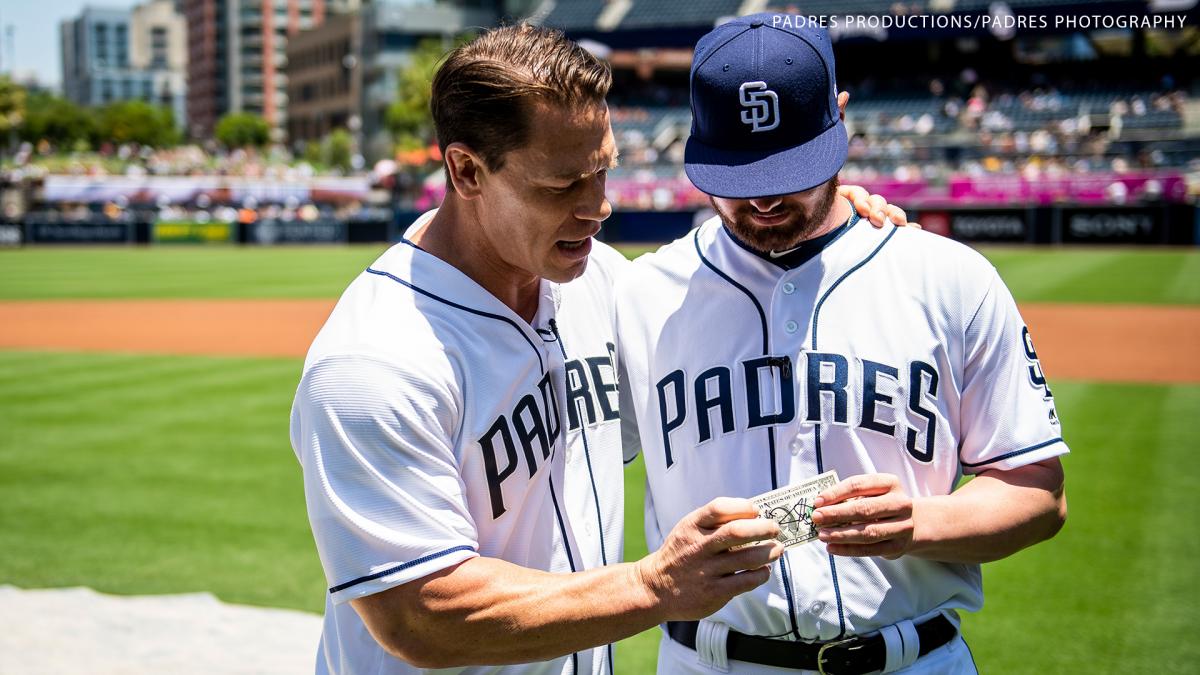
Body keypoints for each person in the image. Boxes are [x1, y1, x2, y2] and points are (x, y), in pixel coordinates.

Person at [291, 23, 914, 675]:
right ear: (466, 171)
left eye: (603, 170)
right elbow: (422, 615)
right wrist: (656, 586)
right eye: (563, 185)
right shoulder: (372, 362)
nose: (598, 206)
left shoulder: (602, 282)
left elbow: (736, 309)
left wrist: (825, 212)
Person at [614, 14, 1068, 674]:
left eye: (791, 168)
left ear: (841, 116)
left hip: (913, 660)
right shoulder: (640, 293)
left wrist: (920, 523)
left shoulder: (949, 277)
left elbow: (1039, 492)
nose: (764, 201)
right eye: (740, 176)